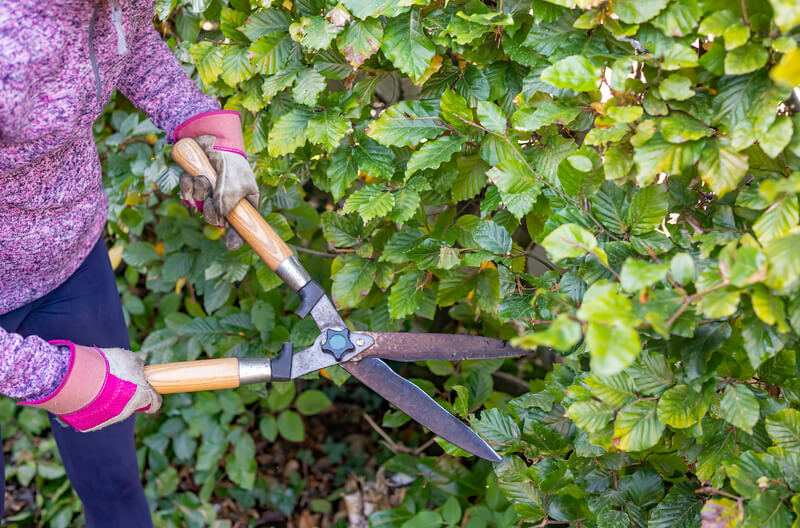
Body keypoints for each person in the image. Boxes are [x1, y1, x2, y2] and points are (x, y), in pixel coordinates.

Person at [0, 1, 258, 525]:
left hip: (69, 265)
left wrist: (192, 117)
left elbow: (125, 38)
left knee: (114, 486)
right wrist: (53, 377)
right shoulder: (10, 41)